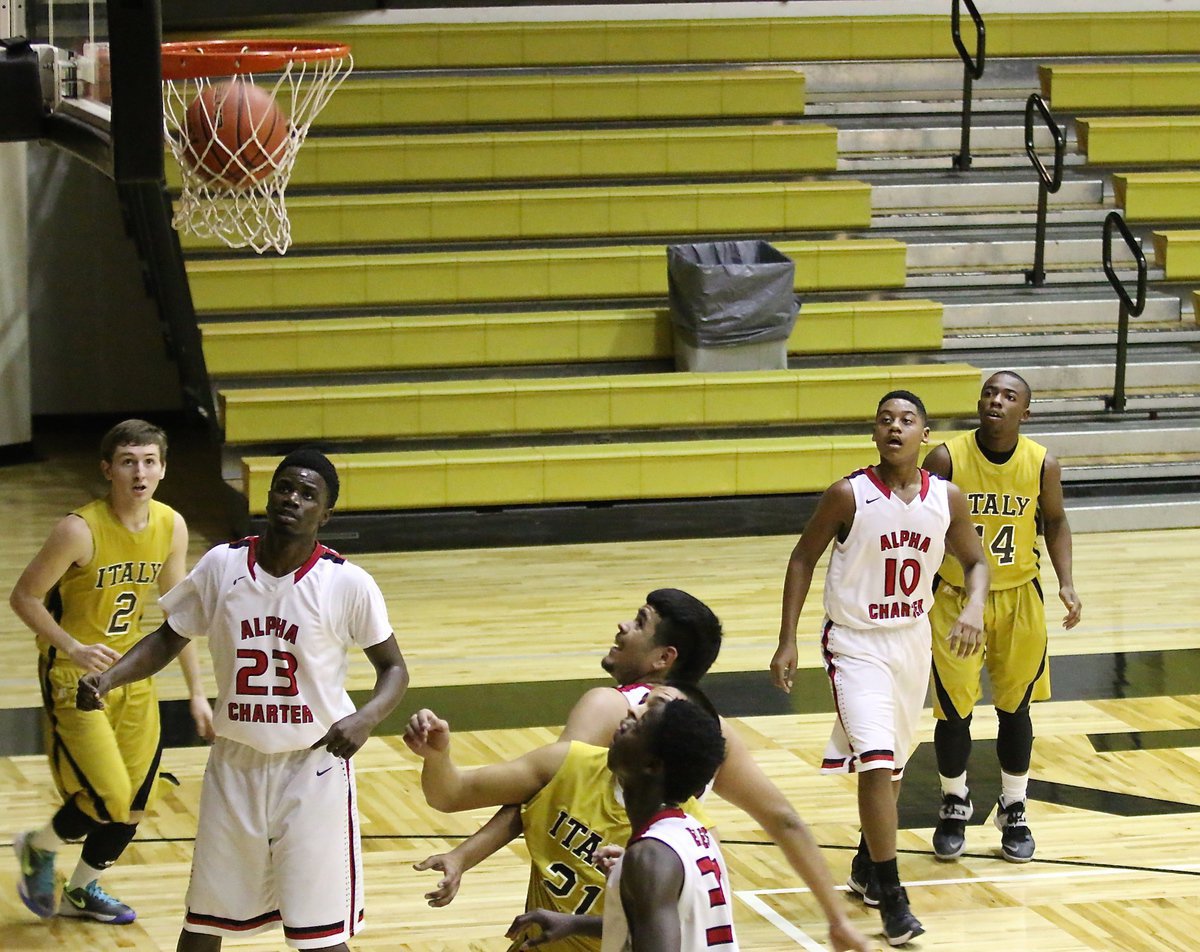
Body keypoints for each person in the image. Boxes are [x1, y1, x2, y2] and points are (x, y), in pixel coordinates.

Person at [76, 448, 409, 952]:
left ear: (326, 513)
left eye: (307, 494)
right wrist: (109, 679)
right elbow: (169, 637)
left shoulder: (347, 583)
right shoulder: (222, 565)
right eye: (284, 488)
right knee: (204, 924)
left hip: (312, 771)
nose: (291, 499)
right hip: (235, 765)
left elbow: (395, 670)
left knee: (318, 938)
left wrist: (365, 718)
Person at [415, 589, 873, 952]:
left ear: (664, 658)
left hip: (616, 908)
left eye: (639, 623)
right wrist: (835, 917)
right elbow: (785, 820)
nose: (622, 627)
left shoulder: (608, 706)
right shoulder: (711, 732)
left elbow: (541, 795)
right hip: (609, 913)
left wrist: (465, 855)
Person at [770, 390, 989, 947]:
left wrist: (973, 606)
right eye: (885, 420)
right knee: (875, 760)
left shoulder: (947, 499)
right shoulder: (848, 494)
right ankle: (893, 896)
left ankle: (868, 866)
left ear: (925, 435)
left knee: (892, 771)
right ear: (874, 434)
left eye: (906, 420)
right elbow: (802, 558)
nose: (895, 427)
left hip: (913, 642)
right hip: (854, 643)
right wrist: (787, 640)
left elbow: (977, 562)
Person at [10, 419, 214, 925]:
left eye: (149, 461)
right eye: (128, 462)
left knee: (137, 800)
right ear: (108, 470)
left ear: (163, 469)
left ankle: (82, 890)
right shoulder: (78, 529)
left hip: (133, 676)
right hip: (73, 679)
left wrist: (196, 692)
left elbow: (178, 616)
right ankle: (38, 847)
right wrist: (73, 647)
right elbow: (24, 597)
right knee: (108, 796)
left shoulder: (171, 525)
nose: (139, 472)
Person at [403, 687, 728, 951]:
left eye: (644, 722)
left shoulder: (655, 856)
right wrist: (437, 757)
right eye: (641, 703)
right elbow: (453, 794)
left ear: (654, 764)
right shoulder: (684, 837)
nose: (630, 714)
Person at [923, 370, 1082, 864]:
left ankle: (1013, 807)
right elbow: (920, 522)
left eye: (1008, 396)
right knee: (954, 711)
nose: (996, 400)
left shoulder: (1041, 463)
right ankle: (954, 802)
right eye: (990, 393)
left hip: (1019, 598)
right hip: (955, 598)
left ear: (1025, 413)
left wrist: (1067, 583)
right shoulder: (946, 457)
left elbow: (1054, 521)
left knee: (1017, 709)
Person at [504, 688, 734, 951]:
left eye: (639, 727)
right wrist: (576, 924)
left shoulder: (651, 858)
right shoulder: (691, 832)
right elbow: (670, 924)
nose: (627, 719)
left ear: (652, 765)